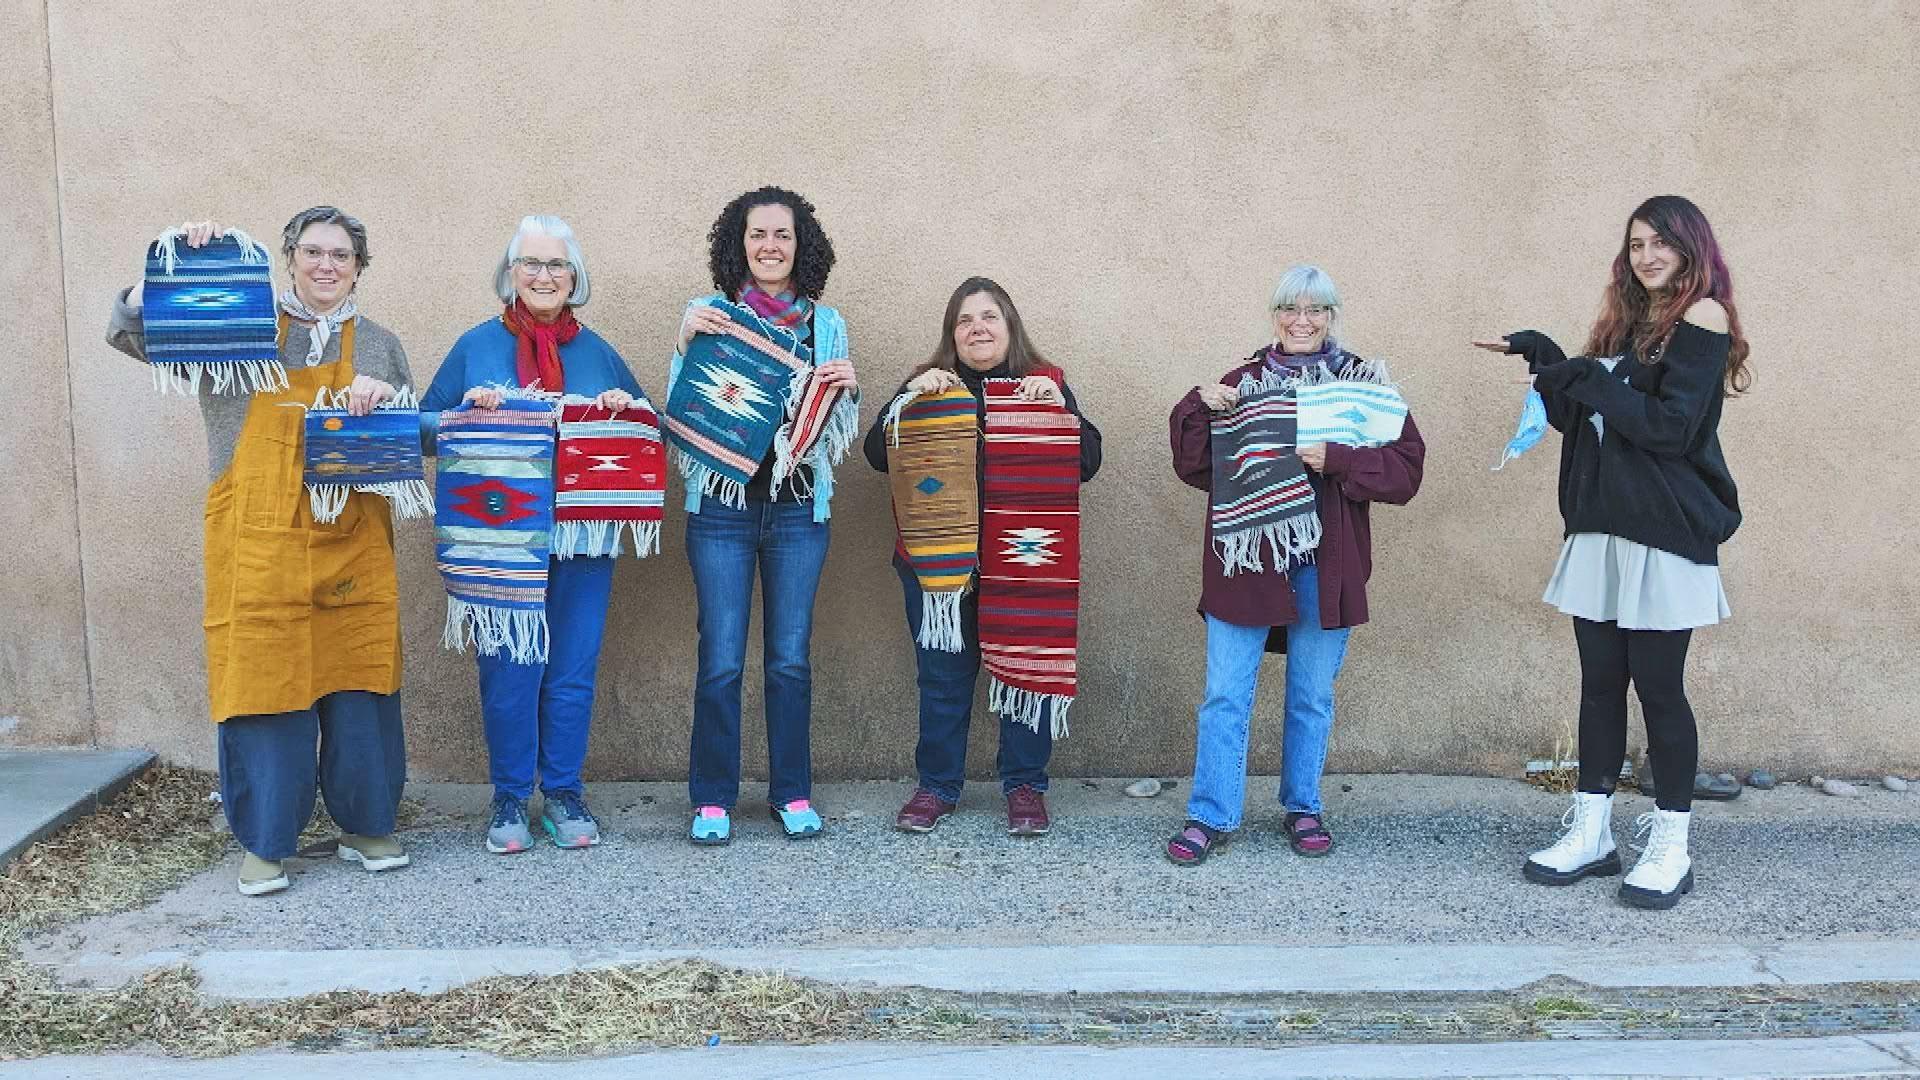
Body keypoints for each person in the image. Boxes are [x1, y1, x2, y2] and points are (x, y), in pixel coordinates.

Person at [106, 208, 413, 896]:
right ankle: (267, 841)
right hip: (257, 542)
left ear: (359, 268)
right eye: (313, 252)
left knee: (359, 683)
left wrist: (387, 396)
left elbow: (403, 443)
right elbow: (133, 333)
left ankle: (367, 826)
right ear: (289, 259)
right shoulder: (238, 328)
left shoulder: (381, 344)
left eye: (341, 255)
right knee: (265, 686)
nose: (326, 265)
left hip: (353, 544)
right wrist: (176, 270)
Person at [1475, 194, 1748, 910]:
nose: (1647, 255)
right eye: (1635, 244)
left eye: (1661, 242)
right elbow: (1584, 419)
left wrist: (1590, 377)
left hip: (1663, 535)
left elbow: (1670, 429)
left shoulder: (1703, 317)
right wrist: (1550, 359)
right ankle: (1592, 832)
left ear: (1691, 247)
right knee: (1598, 686)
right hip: (1601, 528)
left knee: (1659, 690)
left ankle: (1671, 844)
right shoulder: (1629, 325)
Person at [1165, 265, 1425, 866]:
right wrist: (1200, 406)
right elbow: (1196, 467)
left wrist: (1339, 459)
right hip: (1245, 563)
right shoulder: (1243, 384)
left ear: (1331, 316)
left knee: (1310, 696)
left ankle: (1303, 807)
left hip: (1326, 565)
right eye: (1290, 308)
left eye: (1316, 309)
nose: (1302, 321)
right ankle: (1211, 813)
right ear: (1275, 315)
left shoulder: (1359, 387)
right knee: (1225, 695)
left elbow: (1406, 471)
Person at [421, 215, 644, 855]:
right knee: (509, 671)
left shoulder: (598, 353)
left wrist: (621, 411)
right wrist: (466, 413)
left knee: (571, 671)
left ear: (574, 277)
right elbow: (424, 427)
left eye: (556, 265)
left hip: (581, 541)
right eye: (531, 263)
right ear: (511, 272)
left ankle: (565, 793)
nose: (544, 276)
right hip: (498, 541)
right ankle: (511, 797)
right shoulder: (475, 346)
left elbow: (646, 425)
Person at [864, 277, 1103, 836]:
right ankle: (937, 786)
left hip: (1024, 562)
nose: (978, 328)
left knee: (1027, 671)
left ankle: (1025, 785)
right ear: (952, 334)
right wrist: (908, 399)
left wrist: (1056, 413)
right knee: (942, 678)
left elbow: (1088, 462)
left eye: (990, 317)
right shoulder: (928, 386)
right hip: (939, 565)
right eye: (965, 320)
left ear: (1010, 326)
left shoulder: (1044, 384)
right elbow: (877, 453)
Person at [670, 187, 860, 845]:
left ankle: (792, 792)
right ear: (739, 243)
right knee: (721, 659)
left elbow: (837, 423)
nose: (770, 246)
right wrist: (684, 342)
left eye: (783, 234)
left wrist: (847, 391)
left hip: (799, 509)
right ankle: (712, 799)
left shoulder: (825, 325)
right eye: (758, 234)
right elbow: (682, 407)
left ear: (801, 246)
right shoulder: (710, 315)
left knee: (789, 660)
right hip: (720, 510)